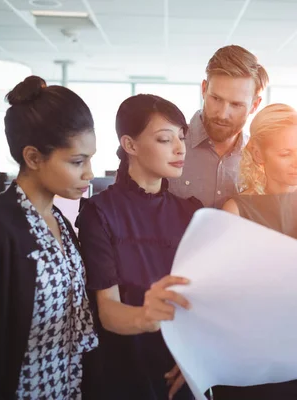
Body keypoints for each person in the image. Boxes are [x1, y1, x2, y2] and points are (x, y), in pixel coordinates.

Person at [0, 76, 98, 399]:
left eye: (90, 158)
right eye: (77, 161)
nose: (90, 173)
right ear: (32, 158)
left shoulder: (58, 220)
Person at [76, 94, 200, 400]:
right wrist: (146, 316)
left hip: (182, 367)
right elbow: (107, 310)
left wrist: (197, 358)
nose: (179, 148)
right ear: (130, 145)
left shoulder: (191, 213)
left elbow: (201, 302)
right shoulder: (99, 212)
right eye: (164, 139)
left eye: (181, 138)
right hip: (124, 369)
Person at [214, 103, 297, 400]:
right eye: (286, 154)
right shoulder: (235, 212)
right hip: (258, 364)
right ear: (258, 154)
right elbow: (232, 303)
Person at [168, 45, 268, 208]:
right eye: (216, 98)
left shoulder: (260, 162)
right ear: (204, 89)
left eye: (236, 105)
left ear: (254, 105)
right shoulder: (166, 146)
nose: (222, 114)